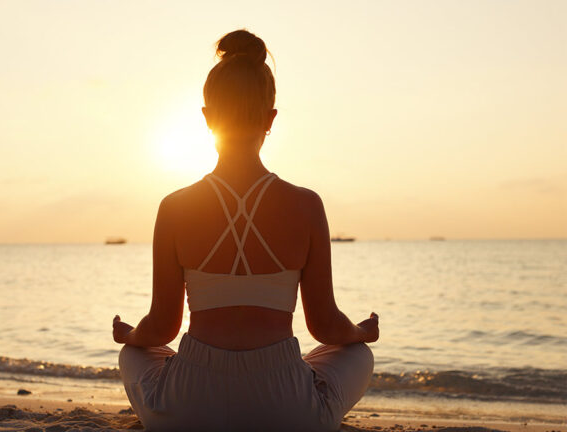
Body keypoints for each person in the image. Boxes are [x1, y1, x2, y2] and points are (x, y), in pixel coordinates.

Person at [112, 29, 379, 432]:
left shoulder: (174, 207)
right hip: (286, 409)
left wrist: (132, 334)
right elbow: (323, 325)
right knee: (358, 355)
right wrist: (359, 331)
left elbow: (163, 327)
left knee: (133, 356)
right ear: (271, 119)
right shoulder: (306, 204)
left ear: (206, 117)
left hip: (189, 407)